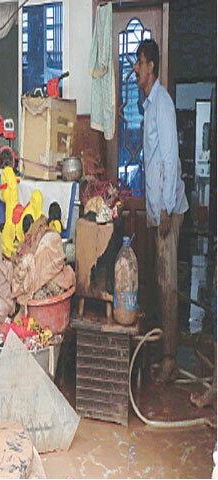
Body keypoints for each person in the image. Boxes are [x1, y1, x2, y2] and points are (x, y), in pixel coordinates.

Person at [133, 39, 189, 383]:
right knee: (159, 280)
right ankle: (163, 352)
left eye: (139, 63)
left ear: (151, 65)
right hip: (157, 211)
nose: (135, 69)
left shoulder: (163, 104)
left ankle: (169, 360)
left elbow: (169, 157)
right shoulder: (148, 104)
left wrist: (166, 207)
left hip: (168, 209)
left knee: (167, 284)